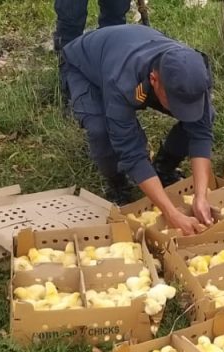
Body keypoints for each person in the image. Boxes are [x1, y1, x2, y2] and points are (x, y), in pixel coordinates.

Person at [61, 24, 215, 234]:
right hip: (84, 68)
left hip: (127, 50)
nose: (181, 111)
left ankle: (163, 167)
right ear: (154, 80)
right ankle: (118, 186)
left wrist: (201, 196)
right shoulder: (122, 82)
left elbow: (201, 131)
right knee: (101, 131)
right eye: (175, 103)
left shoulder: (194, 72)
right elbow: (131, 152)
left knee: (202, 116)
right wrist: (171, 213)